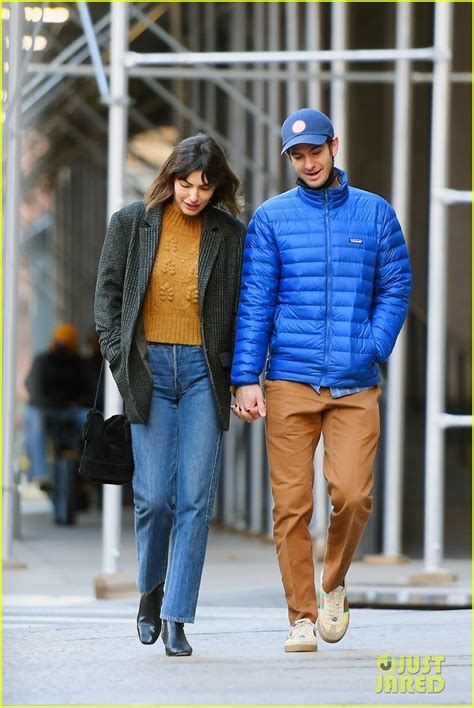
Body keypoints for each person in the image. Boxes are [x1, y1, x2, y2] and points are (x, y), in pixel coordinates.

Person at [230, 108, 412, 653]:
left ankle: (333, 583)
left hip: (355, 384)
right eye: (297, 156)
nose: (308, 163)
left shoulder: (375, 214)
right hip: (288, 379)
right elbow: (256, 301)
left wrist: (373, 345)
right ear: (289, 158)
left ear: (335, 145)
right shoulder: (270, 218)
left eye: (315, 151)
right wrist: (245, 377)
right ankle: (301, 617)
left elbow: (396, 286)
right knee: (291, 507)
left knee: (353, 495)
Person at [94, 134, 245, 657]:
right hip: (149, 368)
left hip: (205, 371)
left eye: (205, 186)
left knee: (195, 499)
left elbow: (244, 312)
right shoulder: (132, 223)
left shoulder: (229, 235)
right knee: (154, 497)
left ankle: (178, 615)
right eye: (186, 183)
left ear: (217, 187)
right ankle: (150, 591)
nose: (194, 195)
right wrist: (119, 358)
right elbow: (108, 296)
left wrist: (243, 374)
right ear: (170, 178)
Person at [23, 324, 90, 487]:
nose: (62, 346)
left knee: (90, 418)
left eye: (66, 343)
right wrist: (45, 403)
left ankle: (90, 467)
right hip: (45, 410)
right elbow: (32, 386)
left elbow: (90, 388)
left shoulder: (78, 363)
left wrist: (79, 402)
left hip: (69, 410)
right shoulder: (43, 361)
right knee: (32, 416)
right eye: (60, 342)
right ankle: (41, 473)